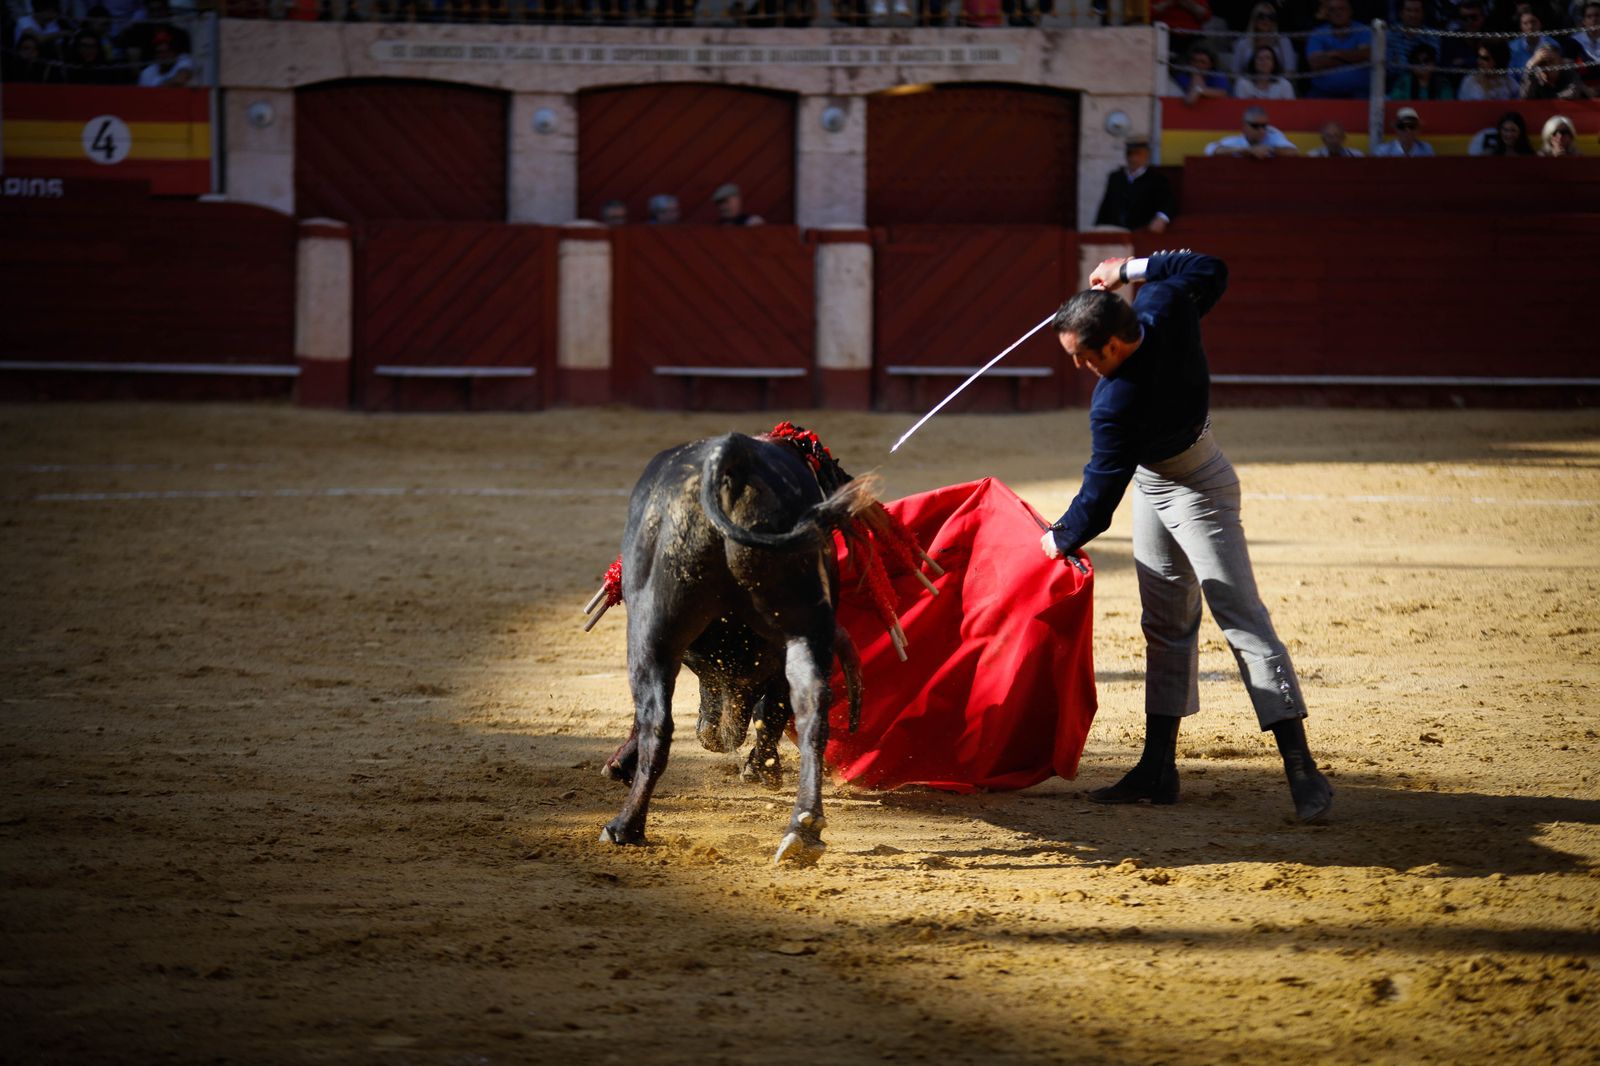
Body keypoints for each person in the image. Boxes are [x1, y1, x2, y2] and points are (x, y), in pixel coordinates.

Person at [1043, 250, 1333, 823]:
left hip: (1200, 489)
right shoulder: (1166, 305)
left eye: (1083, 356)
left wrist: (1055, 540)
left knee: (1241, 617)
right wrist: (1128, 269)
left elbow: (1097, 501)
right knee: (1165, 623)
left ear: (1113, 345)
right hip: (1159, 481)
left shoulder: (1115, 401)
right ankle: (1157, 769)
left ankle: (1303, 769)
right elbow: (1208, 267)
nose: (1079, 366)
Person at [1093, 139, 1176, 233]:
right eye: (1130, 154)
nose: (1133, 159)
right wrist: (1098, 227)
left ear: (1146, 155)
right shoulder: (1116, 178)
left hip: (1142, 232)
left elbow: (1169, 204)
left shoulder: (1157, 179)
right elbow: (1106, 205)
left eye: (1138, 154)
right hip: (1116, 231)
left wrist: (1161, 218)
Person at [1306, 0, 1376, 98]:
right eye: (1332, 10)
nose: (1337, 13)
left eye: (1342, 9)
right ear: (1327, 14)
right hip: (1323, 92)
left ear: (1350, 11)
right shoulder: (1317, 34)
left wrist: (1336, 54)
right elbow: (1316, 64)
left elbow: (1366, 55)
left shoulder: (1363, 30)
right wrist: (1353, 57)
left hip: (1360, 92)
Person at [1230, 2, 1299, 83]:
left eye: (1271, 17)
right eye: (1261, 16)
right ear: (1254, 19)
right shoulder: (1243, 43)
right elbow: (1235, 72)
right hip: (1249, 86)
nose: (1266, 20)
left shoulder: (1283, 41)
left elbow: (1290, 71)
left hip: (1277, 85)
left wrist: (1275, 86)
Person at [1204, 105, 1300, 155]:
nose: (1261, 130)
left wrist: (1270, 149)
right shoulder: (1237, 141)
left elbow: (1293, 151)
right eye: (1255, 126)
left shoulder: (1273, 136)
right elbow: (1210, 149)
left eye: (1264, 126)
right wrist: (1246, 150)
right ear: (1244, 126)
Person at [1522, 44, 1594, 96]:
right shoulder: (1534, 76)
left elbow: (1572, 94)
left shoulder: (1569, 73)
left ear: (1560, 62)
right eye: (1542, 63)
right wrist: (1530, 66)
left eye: (1551, 61)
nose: (1547, 66)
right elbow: (1525, 97)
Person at [1389, 41, 1457, 97]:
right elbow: (1396, 102)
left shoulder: (1442, 83)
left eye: (1426, 61)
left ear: (1434, 64)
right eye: (1417, 61)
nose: (1422, 64)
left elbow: (1447, 106)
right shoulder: (1404, 81)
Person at [1507, 4, 1559, 69]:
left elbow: (1555, 72)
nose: (1530, 27)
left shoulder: (1553, 45)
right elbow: (1512, 73)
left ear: (1540, 23)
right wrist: (1533, 62)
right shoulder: (1512, 48)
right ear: (1520, 26)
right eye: (1525, 23)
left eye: (1533, 22)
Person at [1468, 108, 1538, 151]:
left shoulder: (1529, 155)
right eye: (1505, 130)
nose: (1509, 134)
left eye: (1513, 130)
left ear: (1520, 132)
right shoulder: (1491, 154)